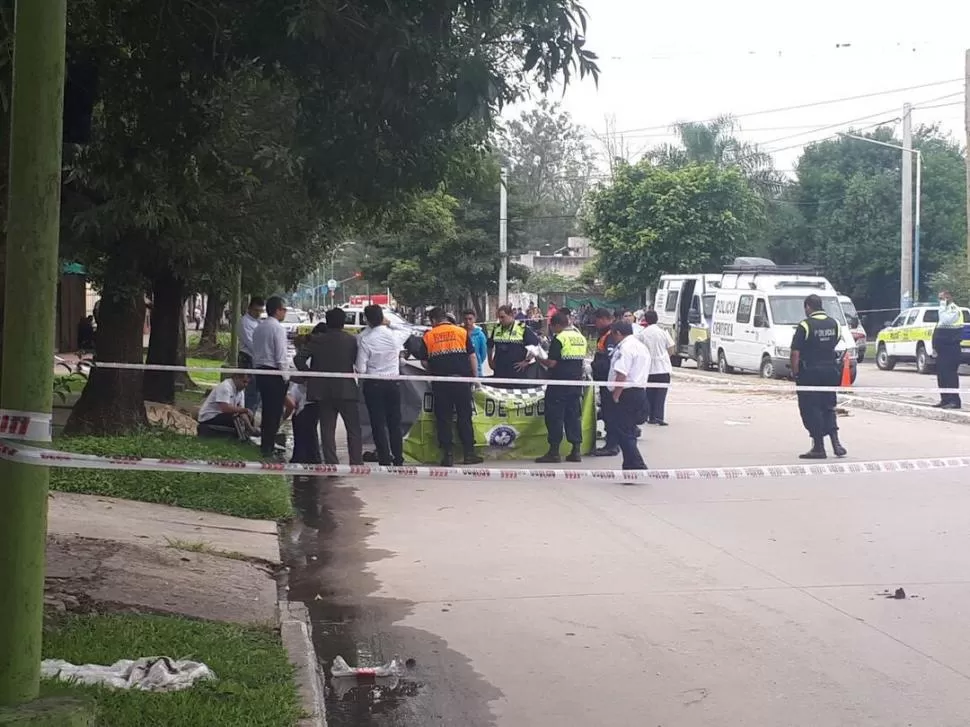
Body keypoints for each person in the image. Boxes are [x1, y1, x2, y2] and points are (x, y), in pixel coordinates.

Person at [295, 309, 363, 465]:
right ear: (343, 322)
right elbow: (357, 363)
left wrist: (310, 375)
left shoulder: (317, 340)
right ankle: (356, 463)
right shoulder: (351, 340)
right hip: (346, 389)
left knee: (327, 430)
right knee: (353, 429)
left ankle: (332, 465)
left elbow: (298, 358)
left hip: (323, 391)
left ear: (327, 320)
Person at [421, 307, 483, 467]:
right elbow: (472, 356)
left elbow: (424, 362)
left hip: (441, 383)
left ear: (434, 320)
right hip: (461, 382)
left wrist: (431, 372)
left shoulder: (429, 336)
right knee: (464, 417)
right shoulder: (461, 332)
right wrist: (475, 378)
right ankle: (469, 453)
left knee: (444, 419)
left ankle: (447, 455)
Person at [790, 294, 846, 459]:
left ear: (808, 307)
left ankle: (819, 447)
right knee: (828, 406)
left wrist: (795, 373)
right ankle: (836, 443)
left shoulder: (805, 326)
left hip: (810, 373)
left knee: (811, 408)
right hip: (830, 372)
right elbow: (835, 342)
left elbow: (795, 353)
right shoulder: (834, 323)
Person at [357, 303, 410, 466]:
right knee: (395, 421)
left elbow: (361, 368)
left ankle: (384, 458)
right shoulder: (394, 336)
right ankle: (398, 458)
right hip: (393, 384)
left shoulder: (364, 339)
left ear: (367, 320)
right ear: (382, 317)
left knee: (378, 423)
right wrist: (389, 323)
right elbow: (407, 329)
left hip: (374, 385)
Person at [534, 310, 587, 463]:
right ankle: (575, 450)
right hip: (575, 383)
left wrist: (538, 358)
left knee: (555, 417)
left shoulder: (560, 338)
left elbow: (552, 363)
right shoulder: (580, 338)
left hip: (558, 383)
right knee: (573, 416)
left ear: (557, 325)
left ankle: (554, 452)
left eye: (552, 326)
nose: (551, 329)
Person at [608, 321, 650, 473]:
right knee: (629, 430)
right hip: (639, 391)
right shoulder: (641, 346)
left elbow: (621, 373)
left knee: (623, 432)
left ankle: (637, 465)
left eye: (613, 334)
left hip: (626, 393)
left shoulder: (625, 348)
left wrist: (616, 395)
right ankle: (629, 467)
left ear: (618, 333)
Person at [252, 296, 289, 457]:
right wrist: (286, 376)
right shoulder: (277, 328)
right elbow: (280, 355)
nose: (285, 312)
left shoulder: (259, 327)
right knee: (274, 412)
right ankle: (268, 446)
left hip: (261, 371)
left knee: (267, 409)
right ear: (277, 310)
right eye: (284, 309)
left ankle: (266, 444)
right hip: (274, 373)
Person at [637, 310, 676, 426]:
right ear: (657, 319)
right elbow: (672, 347)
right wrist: (665, 356)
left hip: (649, 368)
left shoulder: (642, 334)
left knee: (649, 393)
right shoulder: (663, 332)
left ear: (646, 320)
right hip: (663, 367)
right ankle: (659, 416)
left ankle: (651, 416)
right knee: (661, 394)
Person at [590, 308, 619, 457]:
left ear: (604, 319)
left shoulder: (610, 335)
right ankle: (611, 442)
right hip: (603, 380)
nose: (595, 324)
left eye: (596, 320)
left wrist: (596, 366)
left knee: (610, 412)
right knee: (607, 411)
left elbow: (609, 359)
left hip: (608, 380)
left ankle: (612, 444)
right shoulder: (604, 334)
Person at [197, 373, 257, 440]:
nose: (246, 385)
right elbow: (225, 408)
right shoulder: (225, 387)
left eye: (247, 383)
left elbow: (241, 410)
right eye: (244, 382)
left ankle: (250, 434)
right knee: (236, 418)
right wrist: (245, 411)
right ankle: (242, 438)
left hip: (223, 415)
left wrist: (248, 418)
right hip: (210, 416)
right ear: (236, 377)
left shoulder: (240, 392)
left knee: (247, 415)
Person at [488, 304, 540, 381]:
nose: (500, 320)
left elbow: (536, 345)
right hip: (499, 370)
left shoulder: (522, 328)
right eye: (499, 317)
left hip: (516, 371)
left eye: (502, 317)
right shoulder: (496, 328)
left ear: (511, 315)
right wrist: (490, 360)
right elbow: (489, 345)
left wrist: (526, 361)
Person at [933, 289, 963, 410]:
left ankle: (954, 401)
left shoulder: (953, 310)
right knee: (942, 375)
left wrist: (942, 307)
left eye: (942, 298)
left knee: (950, 375)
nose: (940, 301)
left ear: (949, 297)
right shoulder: (944, 311)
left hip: (951, 348)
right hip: (942, 350)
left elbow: (945, 321)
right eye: (939, 299)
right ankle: (945, 399)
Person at [236, 296, 265, 412]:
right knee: (250, 389)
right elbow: (250, 343)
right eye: (256, 310)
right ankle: (247, 415)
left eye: (260, 311)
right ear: (249, 309)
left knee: (257, 390)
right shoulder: (245, 322)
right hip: (247, 357)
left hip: (257, 359)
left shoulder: (258, 322)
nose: (258, 313)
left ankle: (251, 415)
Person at [284, 378, 321, 464]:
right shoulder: (295, 387)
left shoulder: (295, 386)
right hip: (309, 404)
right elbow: (292, 403)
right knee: (310, 432)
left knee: (306, 430)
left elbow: (291, 404)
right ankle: (310, 458)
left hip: (309, 404)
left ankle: (303, 457)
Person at [462, 310, 488, 376]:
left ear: (474, 319)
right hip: (462, 370)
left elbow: (483, 353)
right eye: (465, 319)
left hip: (477, 371)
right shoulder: (460, 333)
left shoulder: (480, 335)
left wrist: (477, 363)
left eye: (470, 319)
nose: (468, 321)